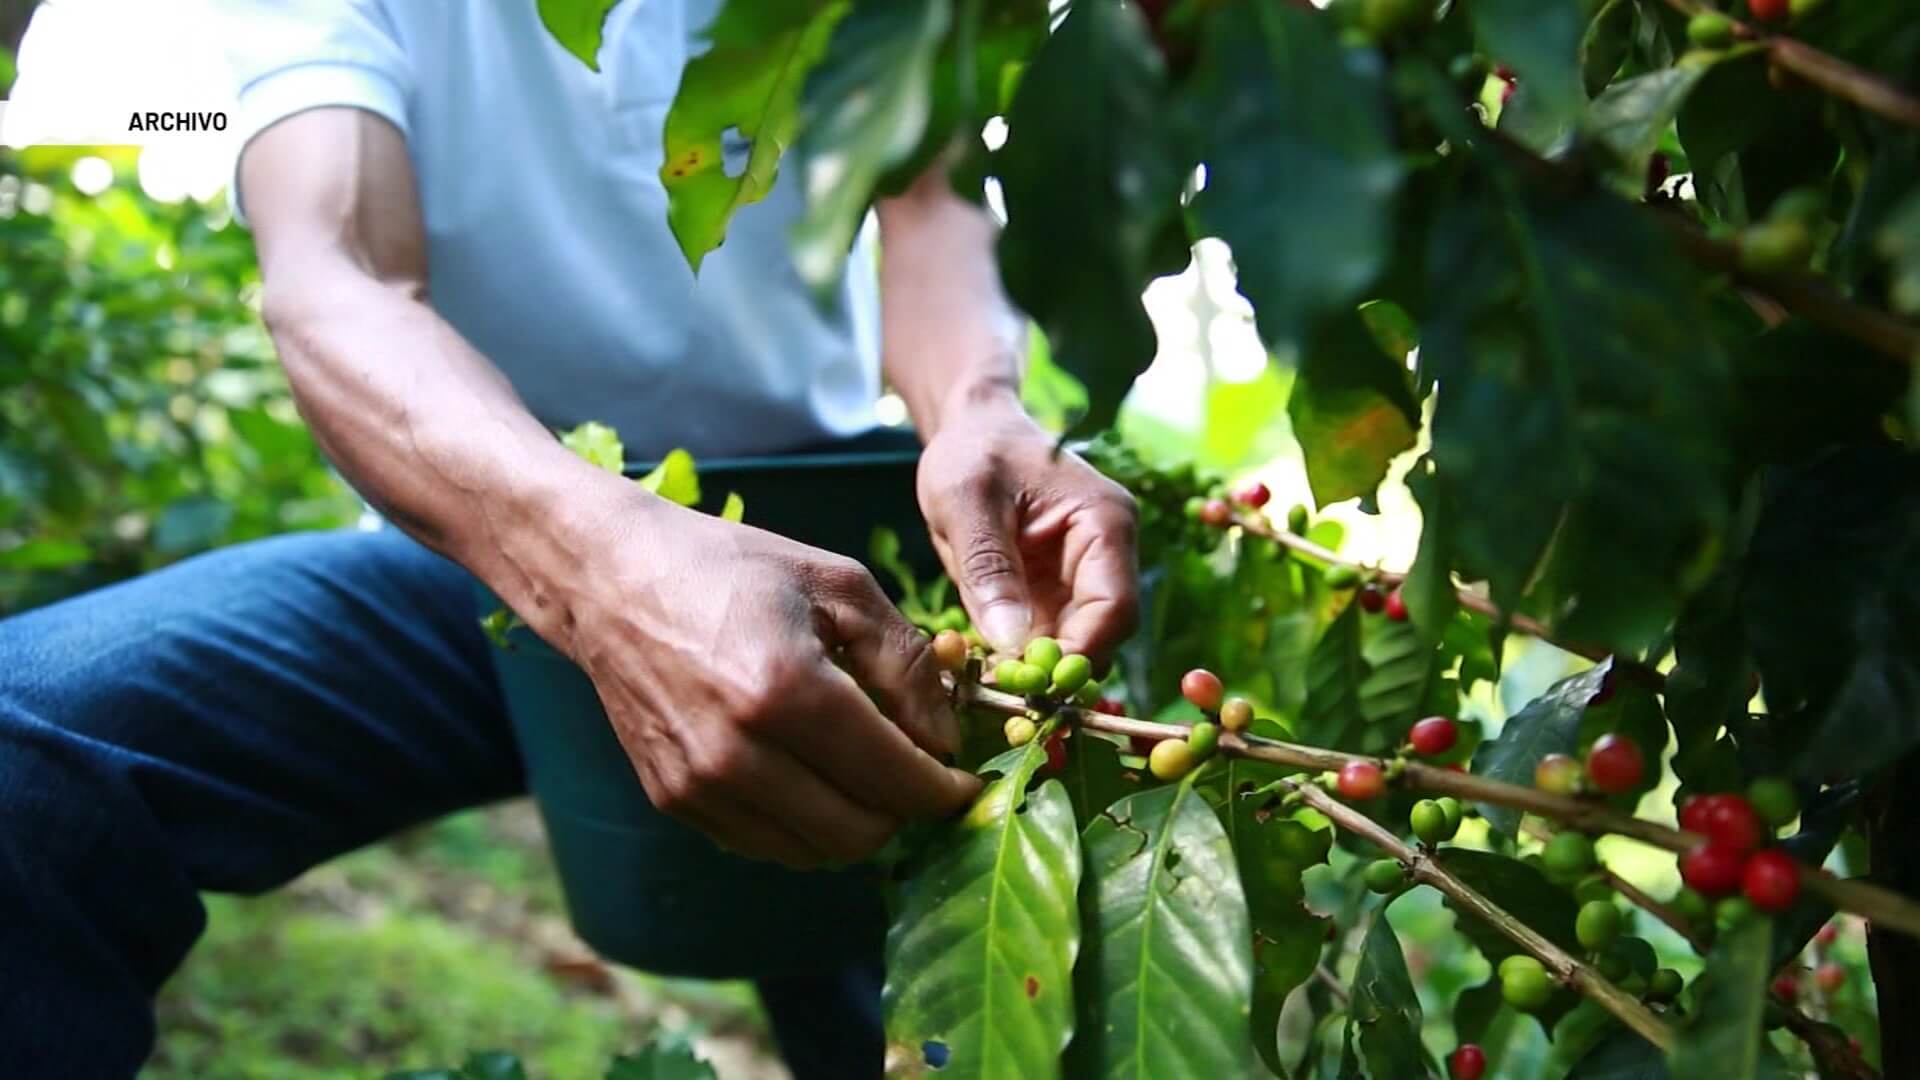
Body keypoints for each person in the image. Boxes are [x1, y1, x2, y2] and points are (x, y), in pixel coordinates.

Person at [0, 1, 1139, 1076]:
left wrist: (981, 402)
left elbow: (926, 203)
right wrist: (598, 569)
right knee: (26, 761)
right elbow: (336, 278)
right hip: (474, 551)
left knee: (933, 998)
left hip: (827, 555)